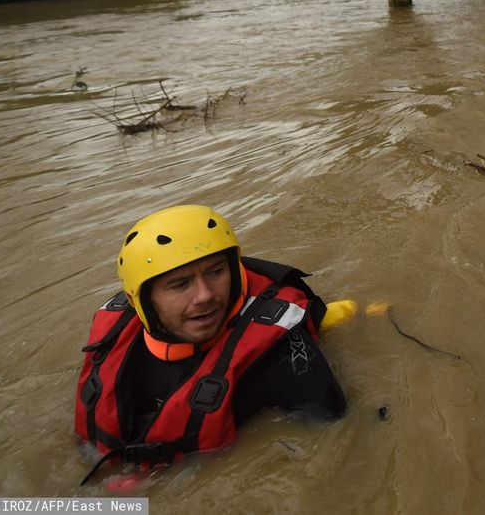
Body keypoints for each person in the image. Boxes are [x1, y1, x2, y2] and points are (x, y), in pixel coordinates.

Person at [74, 204, 348, 481]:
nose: (205, 295)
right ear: (138, 302)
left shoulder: (281, 354)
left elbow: (334, 442)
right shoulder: (113, 341)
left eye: (216, 272)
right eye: (180, 284)